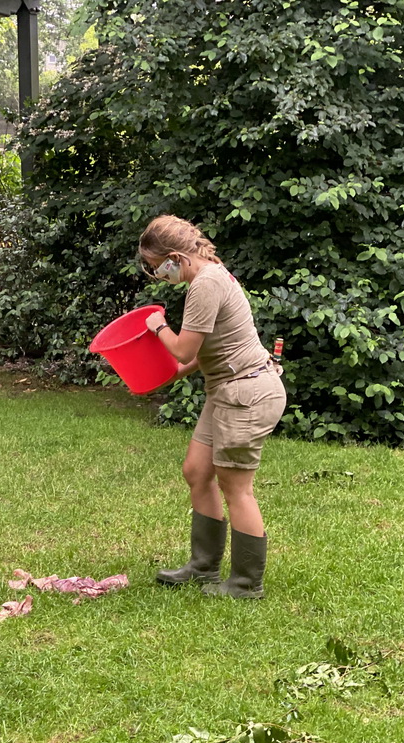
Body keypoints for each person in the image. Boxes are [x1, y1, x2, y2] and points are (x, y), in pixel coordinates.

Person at [139, 214, 286, 599]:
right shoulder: (211, 276)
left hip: (248, 392)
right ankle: (203, 567)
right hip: (225, 389)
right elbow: (198, 355)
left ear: (175, 256)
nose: (159, 276)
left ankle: (245, 582)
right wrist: (155, 378)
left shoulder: (205, 284)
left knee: (236, 486)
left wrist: (157, 326)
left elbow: (183, 347)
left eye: (158, 268)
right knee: (195, 471)